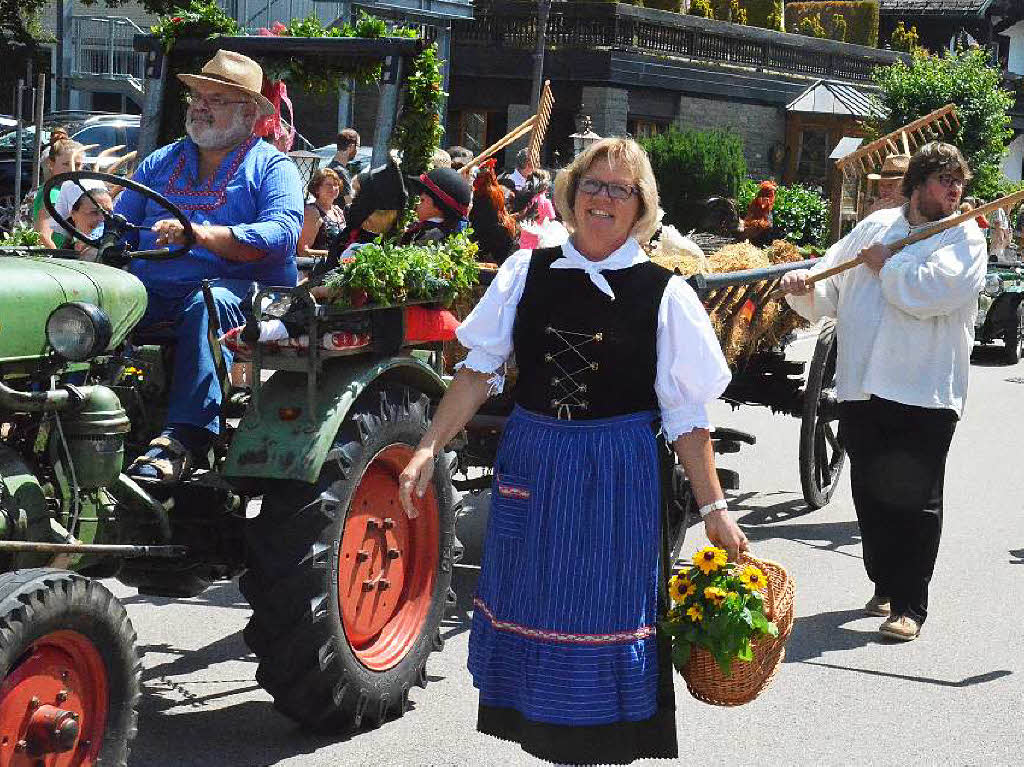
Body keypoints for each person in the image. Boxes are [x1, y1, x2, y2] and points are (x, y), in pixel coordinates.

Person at [398, 137, 746, 765]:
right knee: (536, 608)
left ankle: (597, 750)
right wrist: (428, 446)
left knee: (599, 615)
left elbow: (688, 417)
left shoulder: (665, 295)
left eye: (620, 189)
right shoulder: (525, 271)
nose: (603, 198)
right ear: (571, 193)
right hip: (535, 460)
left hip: (616, 472)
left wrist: (715, 506)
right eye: (593, 184)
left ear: (641, 205)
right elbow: (477, 374)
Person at [779, 142, 987, 642]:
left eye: (959, 181)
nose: (954, 190)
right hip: (863, 386)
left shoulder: (964, 239)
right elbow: (829, 289)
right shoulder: (874, 230)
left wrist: (885, 267)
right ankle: (886, 584)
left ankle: (911, 605)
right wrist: (802, 285)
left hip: (927, 391)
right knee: (870, 494)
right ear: (918, 183)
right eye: (944, 180)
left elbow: (936, 294)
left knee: (918, 500)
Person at [114, 49, 303, 483]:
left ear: (251, 112)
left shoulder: (272, 167)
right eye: (198, 95)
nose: (200, 105)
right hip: (153, 292)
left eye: (216, 98)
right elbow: (119, 231)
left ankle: (184, 438)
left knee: (207, 303)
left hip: (242, 292)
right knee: (88, 306)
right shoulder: (160, 162)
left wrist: (199, 234)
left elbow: (281, 236)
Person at [33, 131, 84, 249]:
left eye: (78, 165)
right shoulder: (54, 193)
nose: (72, 170)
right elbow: (43, 236)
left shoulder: (60, 190)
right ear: (51, 164)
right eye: (66, 164)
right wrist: (58, 260)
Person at [400, 167, 471, 246]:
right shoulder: (426, 229)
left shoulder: (432, 239)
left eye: (422, 200)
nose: (416, 205)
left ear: (438, 208)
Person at [468, 158, 518, 264]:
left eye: (480, 176)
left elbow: (482, 217)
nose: (477, 178)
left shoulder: (488, 192)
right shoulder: (492, 190)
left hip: (490, 231)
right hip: (492, 230)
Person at [54, 178, 114, 261]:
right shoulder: (63, 258)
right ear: (73, 214)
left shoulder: (116, 254)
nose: (102, 219)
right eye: (94, 212)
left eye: (108, 212)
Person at [297, 167, 345, 258]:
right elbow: (302, 251)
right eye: (328, 185)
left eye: (335, 184)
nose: (333, 188)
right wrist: (334, 255)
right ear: (317, 189)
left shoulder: (338, 211)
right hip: (317, 269)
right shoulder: (312, 212)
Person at [861, 154, 909, 218]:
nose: (884, 190)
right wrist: (871, 214)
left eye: (890, 185)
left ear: (904, 187)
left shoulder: (915, 210)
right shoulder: (876, 207)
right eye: (881, 185)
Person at [326, 127, 360, 205]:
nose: (358, 150)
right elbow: (350, 202)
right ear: (351, 147)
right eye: (358, 146)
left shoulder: (329, 166)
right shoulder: (340, 172)